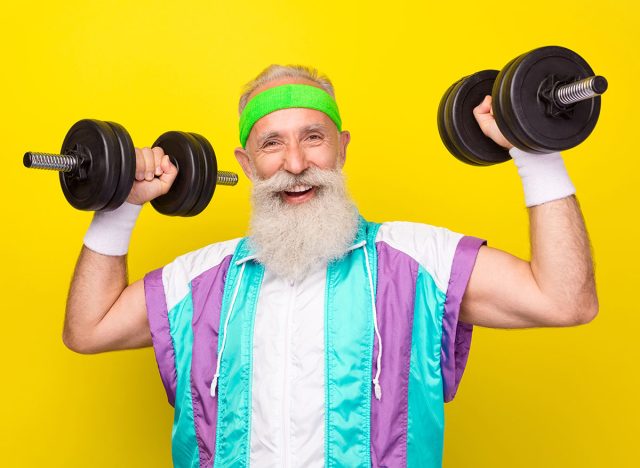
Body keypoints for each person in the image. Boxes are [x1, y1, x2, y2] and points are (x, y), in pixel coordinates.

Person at [62, 65, 598, 468]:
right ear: (246, 164)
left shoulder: (421, 260)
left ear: (341, 148)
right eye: (272, 144)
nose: (295, 165)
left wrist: (534, 147)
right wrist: (121, 205)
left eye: (313, 137)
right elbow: (88, 329)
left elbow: (565, 299)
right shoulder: (198, 280)